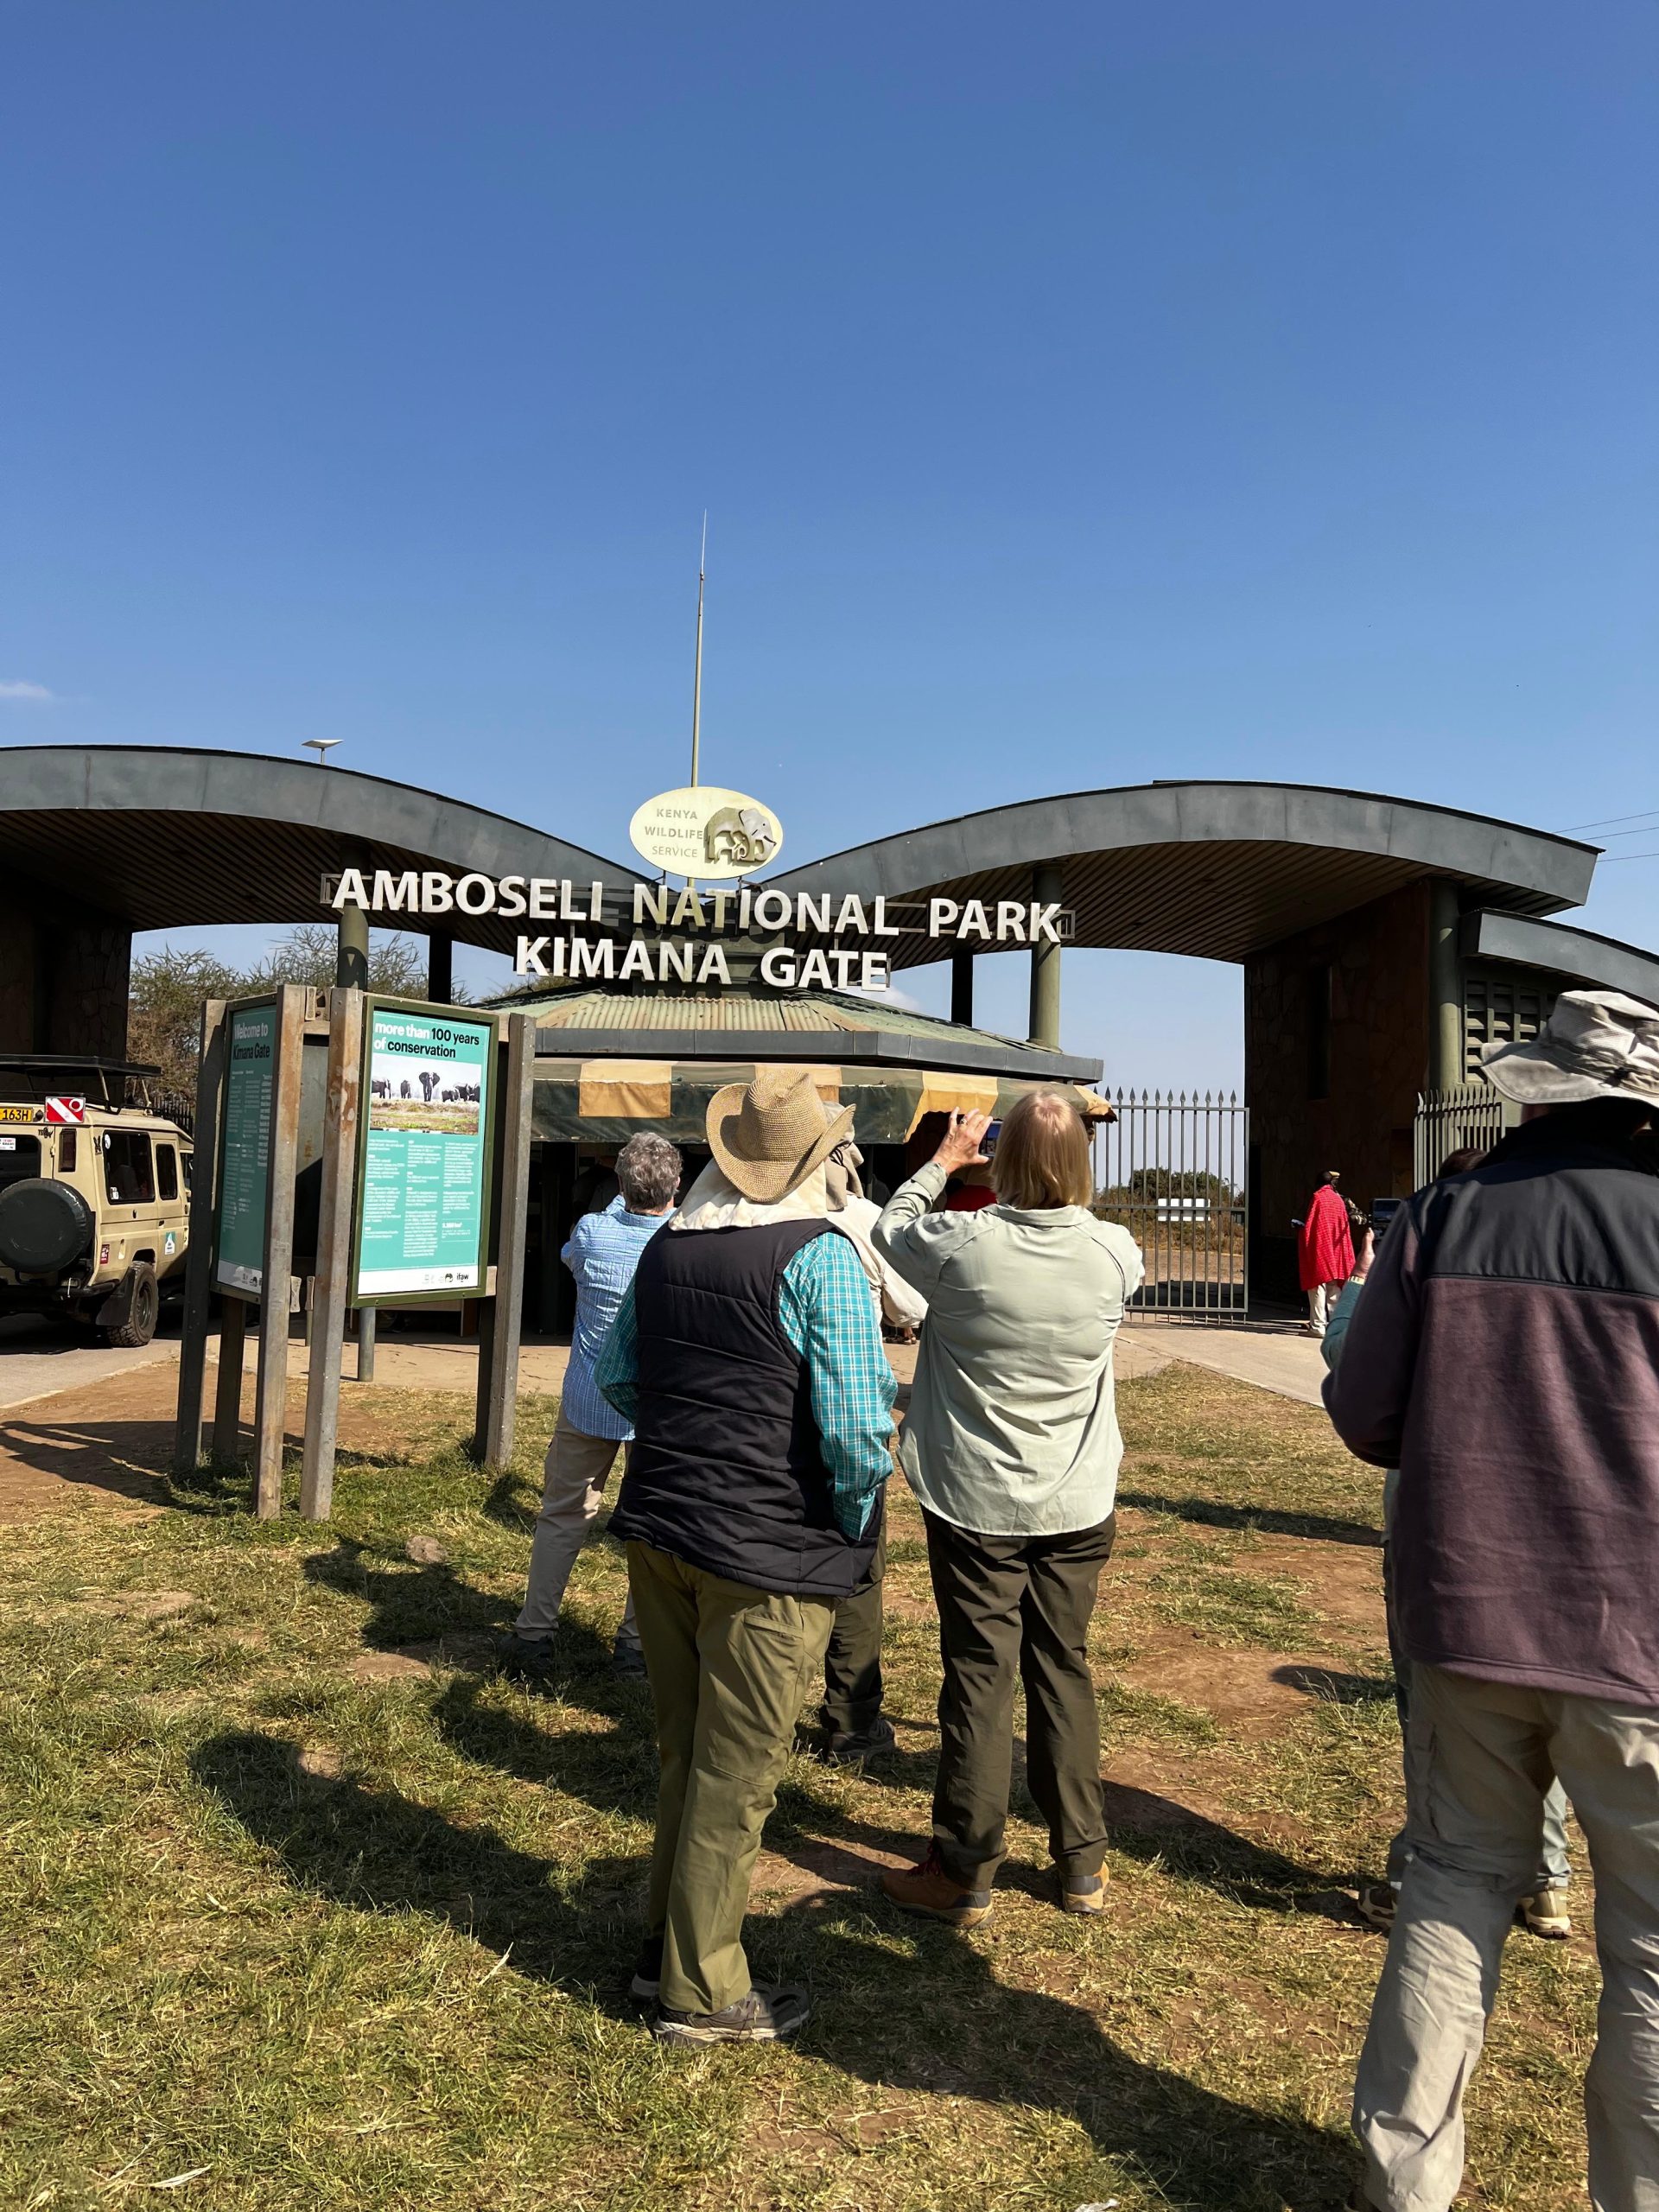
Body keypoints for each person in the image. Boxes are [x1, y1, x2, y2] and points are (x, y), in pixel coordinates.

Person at [1324, 988, 1659, 2212]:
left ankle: (1404, 2185)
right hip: (1641, 1646)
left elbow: (1365, 1414)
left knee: (1454, 1884)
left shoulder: (1443, 1215)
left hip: (1468, 1617)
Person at [594, 1068, 897, 2044]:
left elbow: (618, 1375)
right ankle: (701, 1989)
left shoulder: (666, 1248)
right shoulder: (823, 1259)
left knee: (686, 1752)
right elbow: (857, 1431)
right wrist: (850, 1526)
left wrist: (689, 1444)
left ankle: (665, 1949)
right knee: (740, 1772)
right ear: (823, 1159)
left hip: (664, 1529)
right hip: (769, 1551)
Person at [872, 1091, 1144, 1925]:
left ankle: (966, 1866)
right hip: (1076, 1495)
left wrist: (946, 1160)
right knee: (1062, 1665)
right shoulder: (1115, 1253)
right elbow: (1076, 1209)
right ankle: (1082, 1862)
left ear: (1002, 1159)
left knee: (980, 1676)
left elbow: (889, 1229)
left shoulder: (963, 1247)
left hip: (977, 1497)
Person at [1322, 1150, 1572, 1941]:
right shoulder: (1552, 1251)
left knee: (1428, 1709)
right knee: (1548, 1700)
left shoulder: (1431, 1246)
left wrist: (1362, 1278)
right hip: (1559, 1522)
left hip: (1444, 1512)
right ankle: (1549, 1878)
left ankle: (1414, 1877)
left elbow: (1349, 1373)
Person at [498, 1132, 683, 1686]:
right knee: (650, 1529)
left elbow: (573, 1254)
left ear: (619, 1186)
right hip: (658, 1407)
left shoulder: (592, 1231)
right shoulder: (683, 1241)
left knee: (561, 1517)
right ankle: (635, 1648)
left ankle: (534, 1634)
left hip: (589, 1399)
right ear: (676, 1188)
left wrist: (621, 1195)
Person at [812, 1129, 926, 1764]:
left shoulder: (712, 1215)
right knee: (857, 1572)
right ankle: (851, 1722)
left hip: (757, 1430)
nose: (855, 1158)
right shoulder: (859, 1220)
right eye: (846, 1147)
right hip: (845, 1418)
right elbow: (912, 1303)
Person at [1298, 1168, 1355, 1336]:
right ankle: (1335, 1328)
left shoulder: (1318, 1198)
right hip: (1336, 1251)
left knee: (1317, 1288)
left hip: (1320, 1249)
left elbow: (1311, 1226)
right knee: (1334, 1290)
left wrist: (1300, 1230)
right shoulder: (1338, 1200)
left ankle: (1317, 1327)